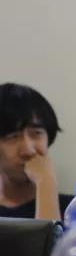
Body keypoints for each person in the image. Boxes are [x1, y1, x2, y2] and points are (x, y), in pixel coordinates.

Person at [0, 83, 71, 220]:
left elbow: (50, 234)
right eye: (13, 137)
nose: (28, 150)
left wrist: (46, 182)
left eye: (36, 133)